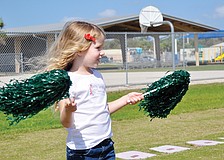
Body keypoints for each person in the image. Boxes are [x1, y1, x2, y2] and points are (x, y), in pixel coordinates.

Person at [45, 21, 144, 160]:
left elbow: (102, 110)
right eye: (98, 48)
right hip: (83, 152)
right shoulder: (66, 81)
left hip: (107, 146)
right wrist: (68, 110)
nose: (102, 52)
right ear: (80, 49)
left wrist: (126, 99)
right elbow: (66, 122)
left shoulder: (97, 76)